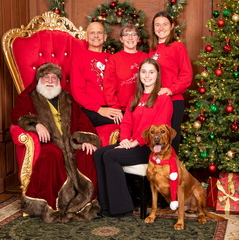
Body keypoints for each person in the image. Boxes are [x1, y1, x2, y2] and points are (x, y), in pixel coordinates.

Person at [11, 63, 101, 223]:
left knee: (87, 154)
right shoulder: (29, 98)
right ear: (39, 80)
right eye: (46, 77)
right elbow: (18, 116)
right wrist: (36, 124)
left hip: (71, 143)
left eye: (54, 77)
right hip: (48, 144)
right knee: (52, 156)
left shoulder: (67, 98)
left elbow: (82, 121)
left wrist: (85, 139)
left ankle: (85, 204)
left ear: (59, 81)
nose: (50, 80)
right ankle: (53, 206)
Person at [94, 58, 173, 217]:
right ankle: (105, 206)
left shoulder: (163, 99)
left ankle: (122, 208)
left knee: (110, 156)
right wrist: (124, 139)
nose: (147, 76)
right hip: (132, 144)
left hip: (150, 148)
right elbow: (126, 123)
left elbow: (158, 130)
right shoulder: (134, 98)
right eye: (143, 72)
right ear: (139, 75)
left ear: (157, 75)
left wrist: (136, 142)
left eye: (151, 72)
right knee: (99, 153)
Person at [149, 11, 193, 153]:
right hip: (155, 101)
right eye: (157, 25)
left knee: (170, 140)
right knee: (155, 139)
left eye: (165, 24)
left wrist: (170, 89)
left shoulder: (177, 47)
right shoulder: (152, 50)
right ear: (153, 28)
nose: (161, 28)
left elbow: (187, 75)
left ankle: (171, 171)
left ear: (172, 26)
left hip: (173, 100)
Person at [71, 22, 122, 126]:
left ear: (105, 37)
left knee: (135, 119)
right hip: (90, 109)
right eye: (92, 33)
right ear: (86, 37)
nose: (96, 36)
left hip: (112, 106)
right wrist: (99, 109)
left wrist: (116, 108)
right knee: (123, 122)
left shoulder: (112, 58)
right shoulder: (79, 59)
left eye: (99, 32)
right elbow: (77, 91)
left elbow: (119, 87)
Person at [103, 23, 147, 120]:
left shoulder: (146, 57)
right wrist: (115, 108)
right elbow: (109, 85)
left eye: (133, 34)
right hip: (121, 108)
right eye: (126, 35)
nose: (130, 38)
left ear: (138, 38)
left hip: (143, 106)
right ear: (121, 39)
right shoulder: (114, 59)